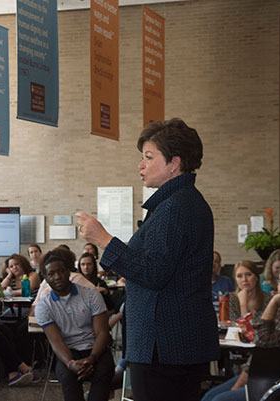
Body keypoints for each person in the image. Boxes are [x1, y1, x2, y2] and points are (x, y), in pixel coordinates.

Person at [76, 118, 219, 401]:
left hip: (165, 346)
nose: (140, 165)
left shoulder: (176, 207)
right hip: (171, 344)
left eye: (149, 157)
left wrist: (103, 239)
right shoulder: (178, 203)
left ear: (173, 163)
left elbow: (154, 272)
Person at [202, 262, 280, 401]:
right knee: (209, 396)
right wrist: (241, 383)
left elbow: (261, 340)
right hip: (267, 377)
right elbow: (261, 350)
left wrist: (274, 302)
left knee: (220, 400)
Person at [35, 252, 114, 401]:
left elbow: (102, 332)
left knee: (104, 372)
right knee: (68, 378)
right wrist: (70, 363)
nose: (57, 277)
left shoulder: (91, 295)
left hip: (96, 349)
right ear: (46, 278)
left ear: (69, 272)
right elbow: (56, 341)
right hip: (68, 352)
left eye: (61, 271)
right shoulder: (43, 307)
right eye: (51, 274)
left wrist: (92, 358)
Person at [211, 251, 235, 315]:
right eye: (210, 260)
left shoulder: (226, 281)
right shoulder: (197, 283)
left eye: (216, 262)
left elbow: (234, 303)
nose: (213, 264)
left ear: (219, 266)